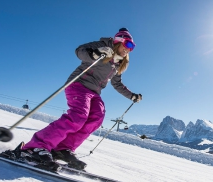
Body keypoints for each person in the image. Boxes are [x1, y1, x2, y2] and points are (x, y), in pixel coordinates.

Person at [21, 28, 142, 170]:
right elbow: (80, 50)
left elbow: (117, 84)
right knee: (78, 116)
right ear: (118, 41)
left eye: (132, 47)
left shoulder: (117, 64)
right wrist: (95, 54)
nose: (129, 50)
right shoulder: (103, 46)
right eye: (128, 45)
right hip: (79, 84)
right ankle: (35, 147)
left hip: (95, 92)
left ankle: (62, 149)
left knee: (97, 118)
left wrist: (132, 95)